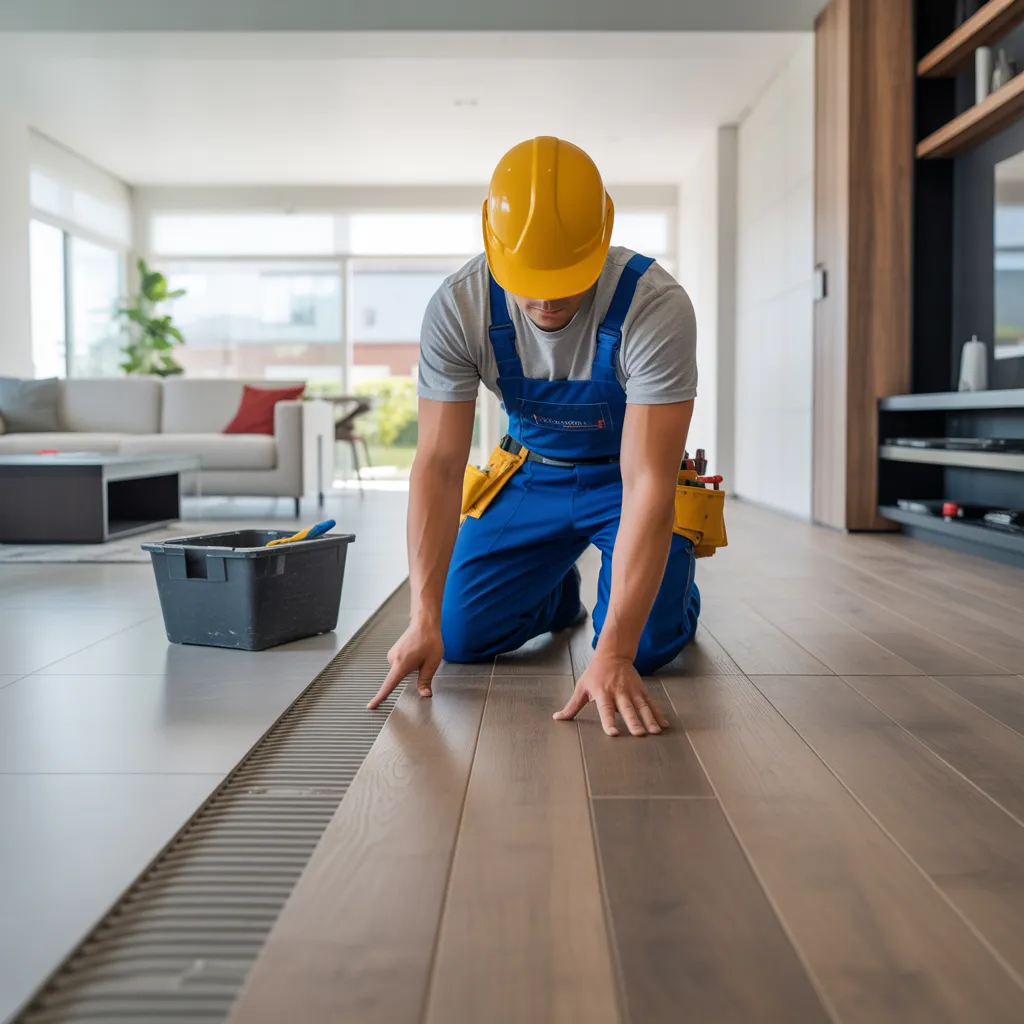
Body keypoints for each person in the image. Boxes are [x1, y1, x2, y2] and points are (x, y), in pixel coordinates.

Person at [368, 135, 709, 738]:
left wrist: (616, 655)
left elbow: (649, 477)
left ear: (602, 239)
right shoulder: (459, 305)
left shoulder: (654, 305)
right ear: (491, 245)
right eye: (530, 279)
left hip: (625, 479)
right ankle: (557, 596)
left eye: (566, 277)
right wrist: (422, 617)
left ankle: (673, 594)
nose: (548, 298)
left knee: (646, 646)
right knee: (461, 635)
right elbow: (439, 465)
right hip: (530, 472)